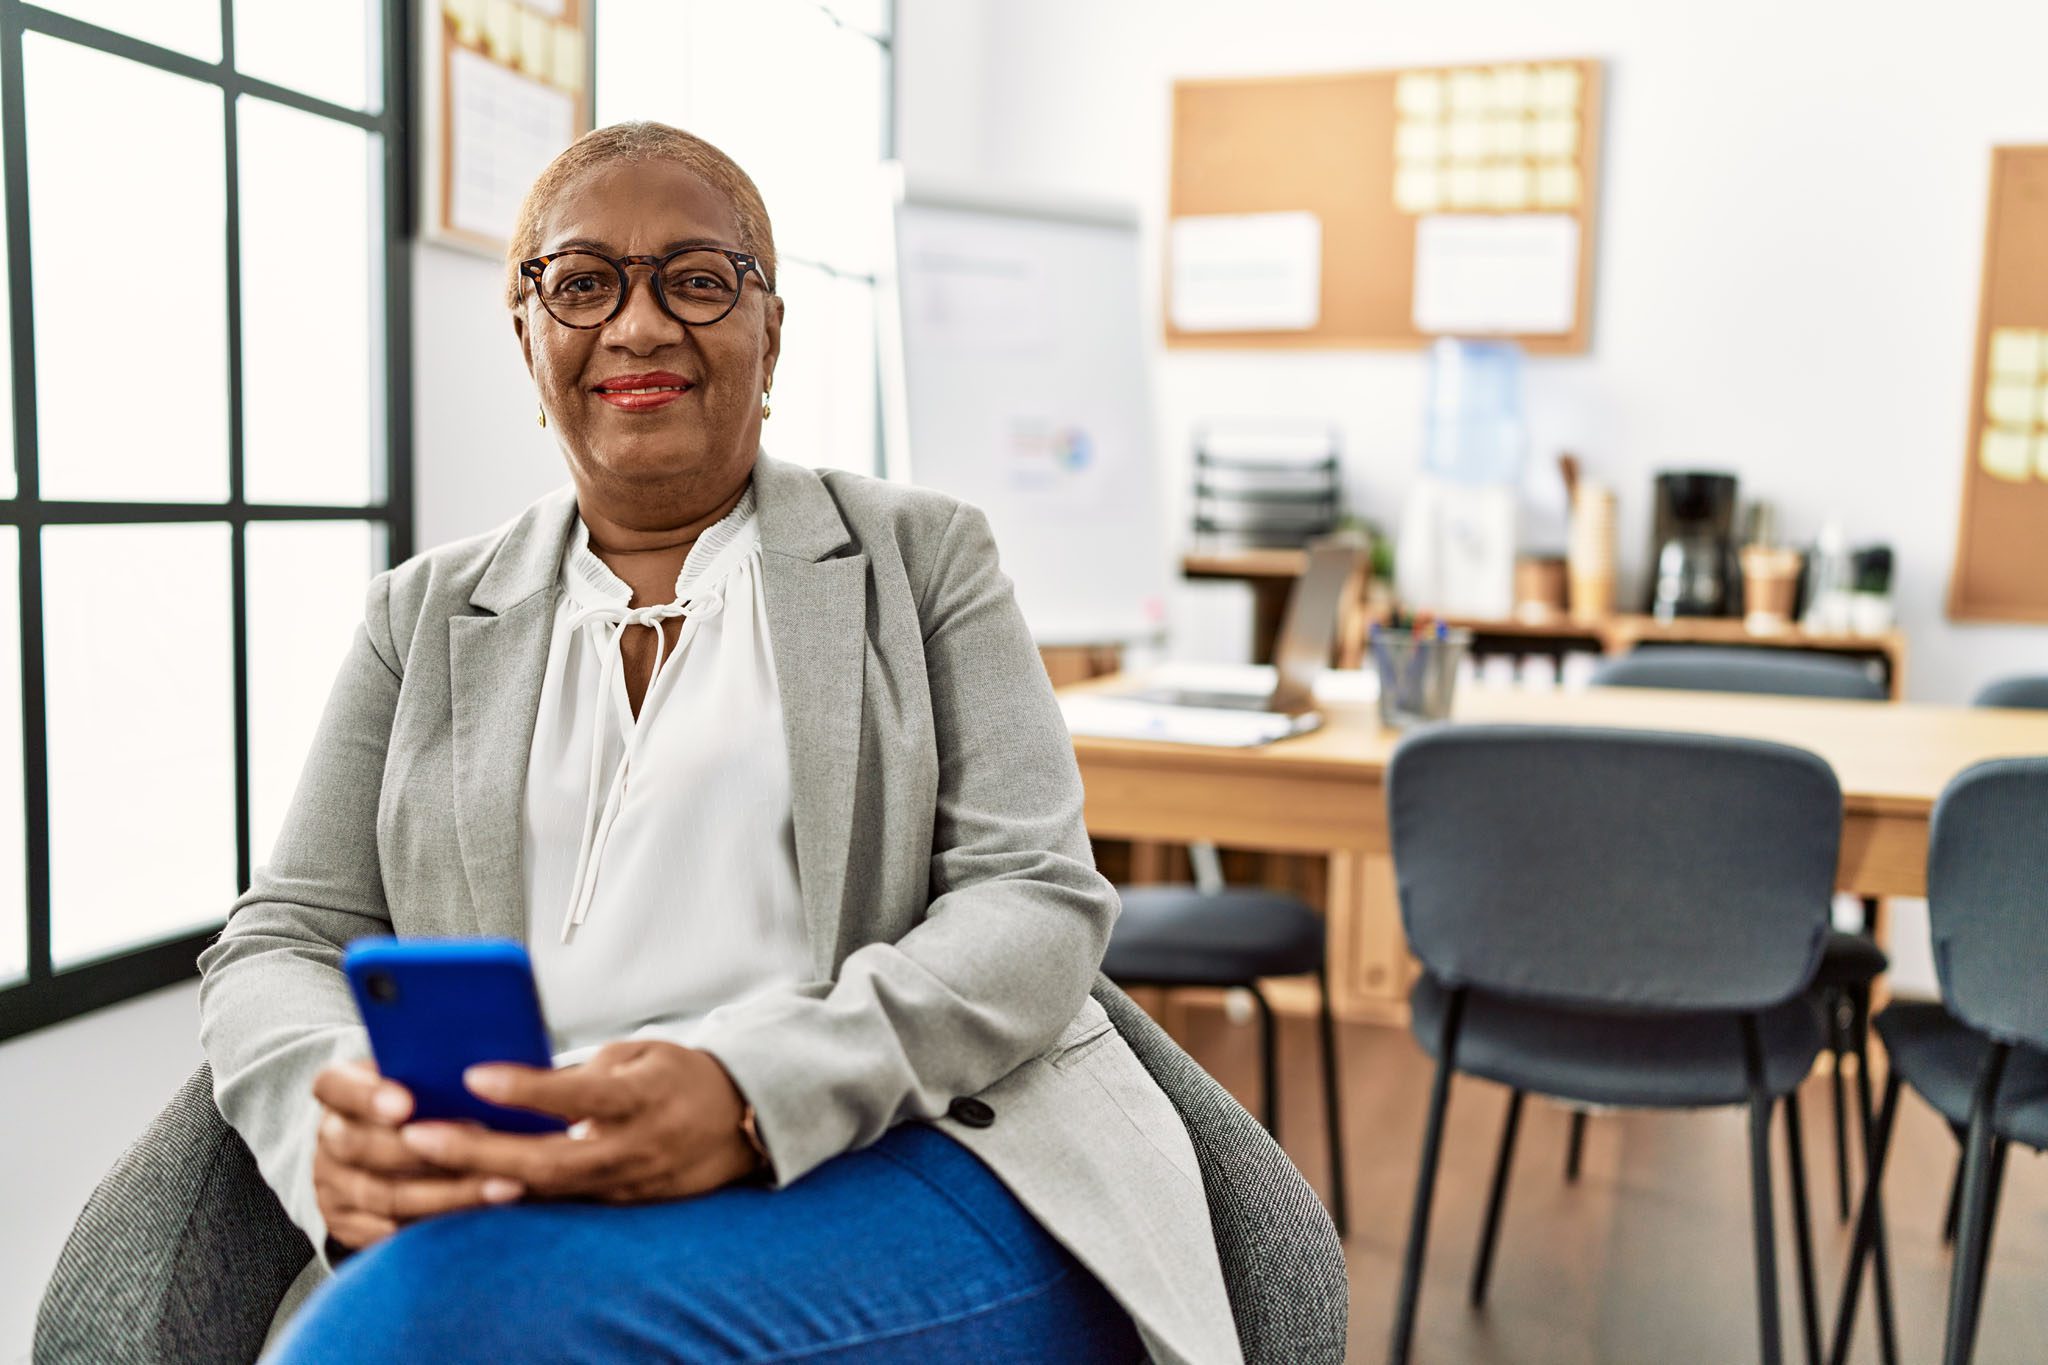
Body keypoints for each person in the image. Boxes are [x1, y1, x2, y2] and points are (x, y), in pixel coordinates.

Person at [195, 121, 1240, 1364]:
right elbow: (283, 935)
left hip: (913, 1147)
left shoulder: (922, 557)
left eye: (694, 280)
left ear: (771, 331)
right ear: (528, 337)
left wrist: (748, 1094)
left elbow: (1033, 899)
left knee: (424, 1327)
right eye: (581, 285)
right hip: (529, 1185)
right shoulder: (419, 616)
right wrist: (327, 1115)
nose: (636, 328)